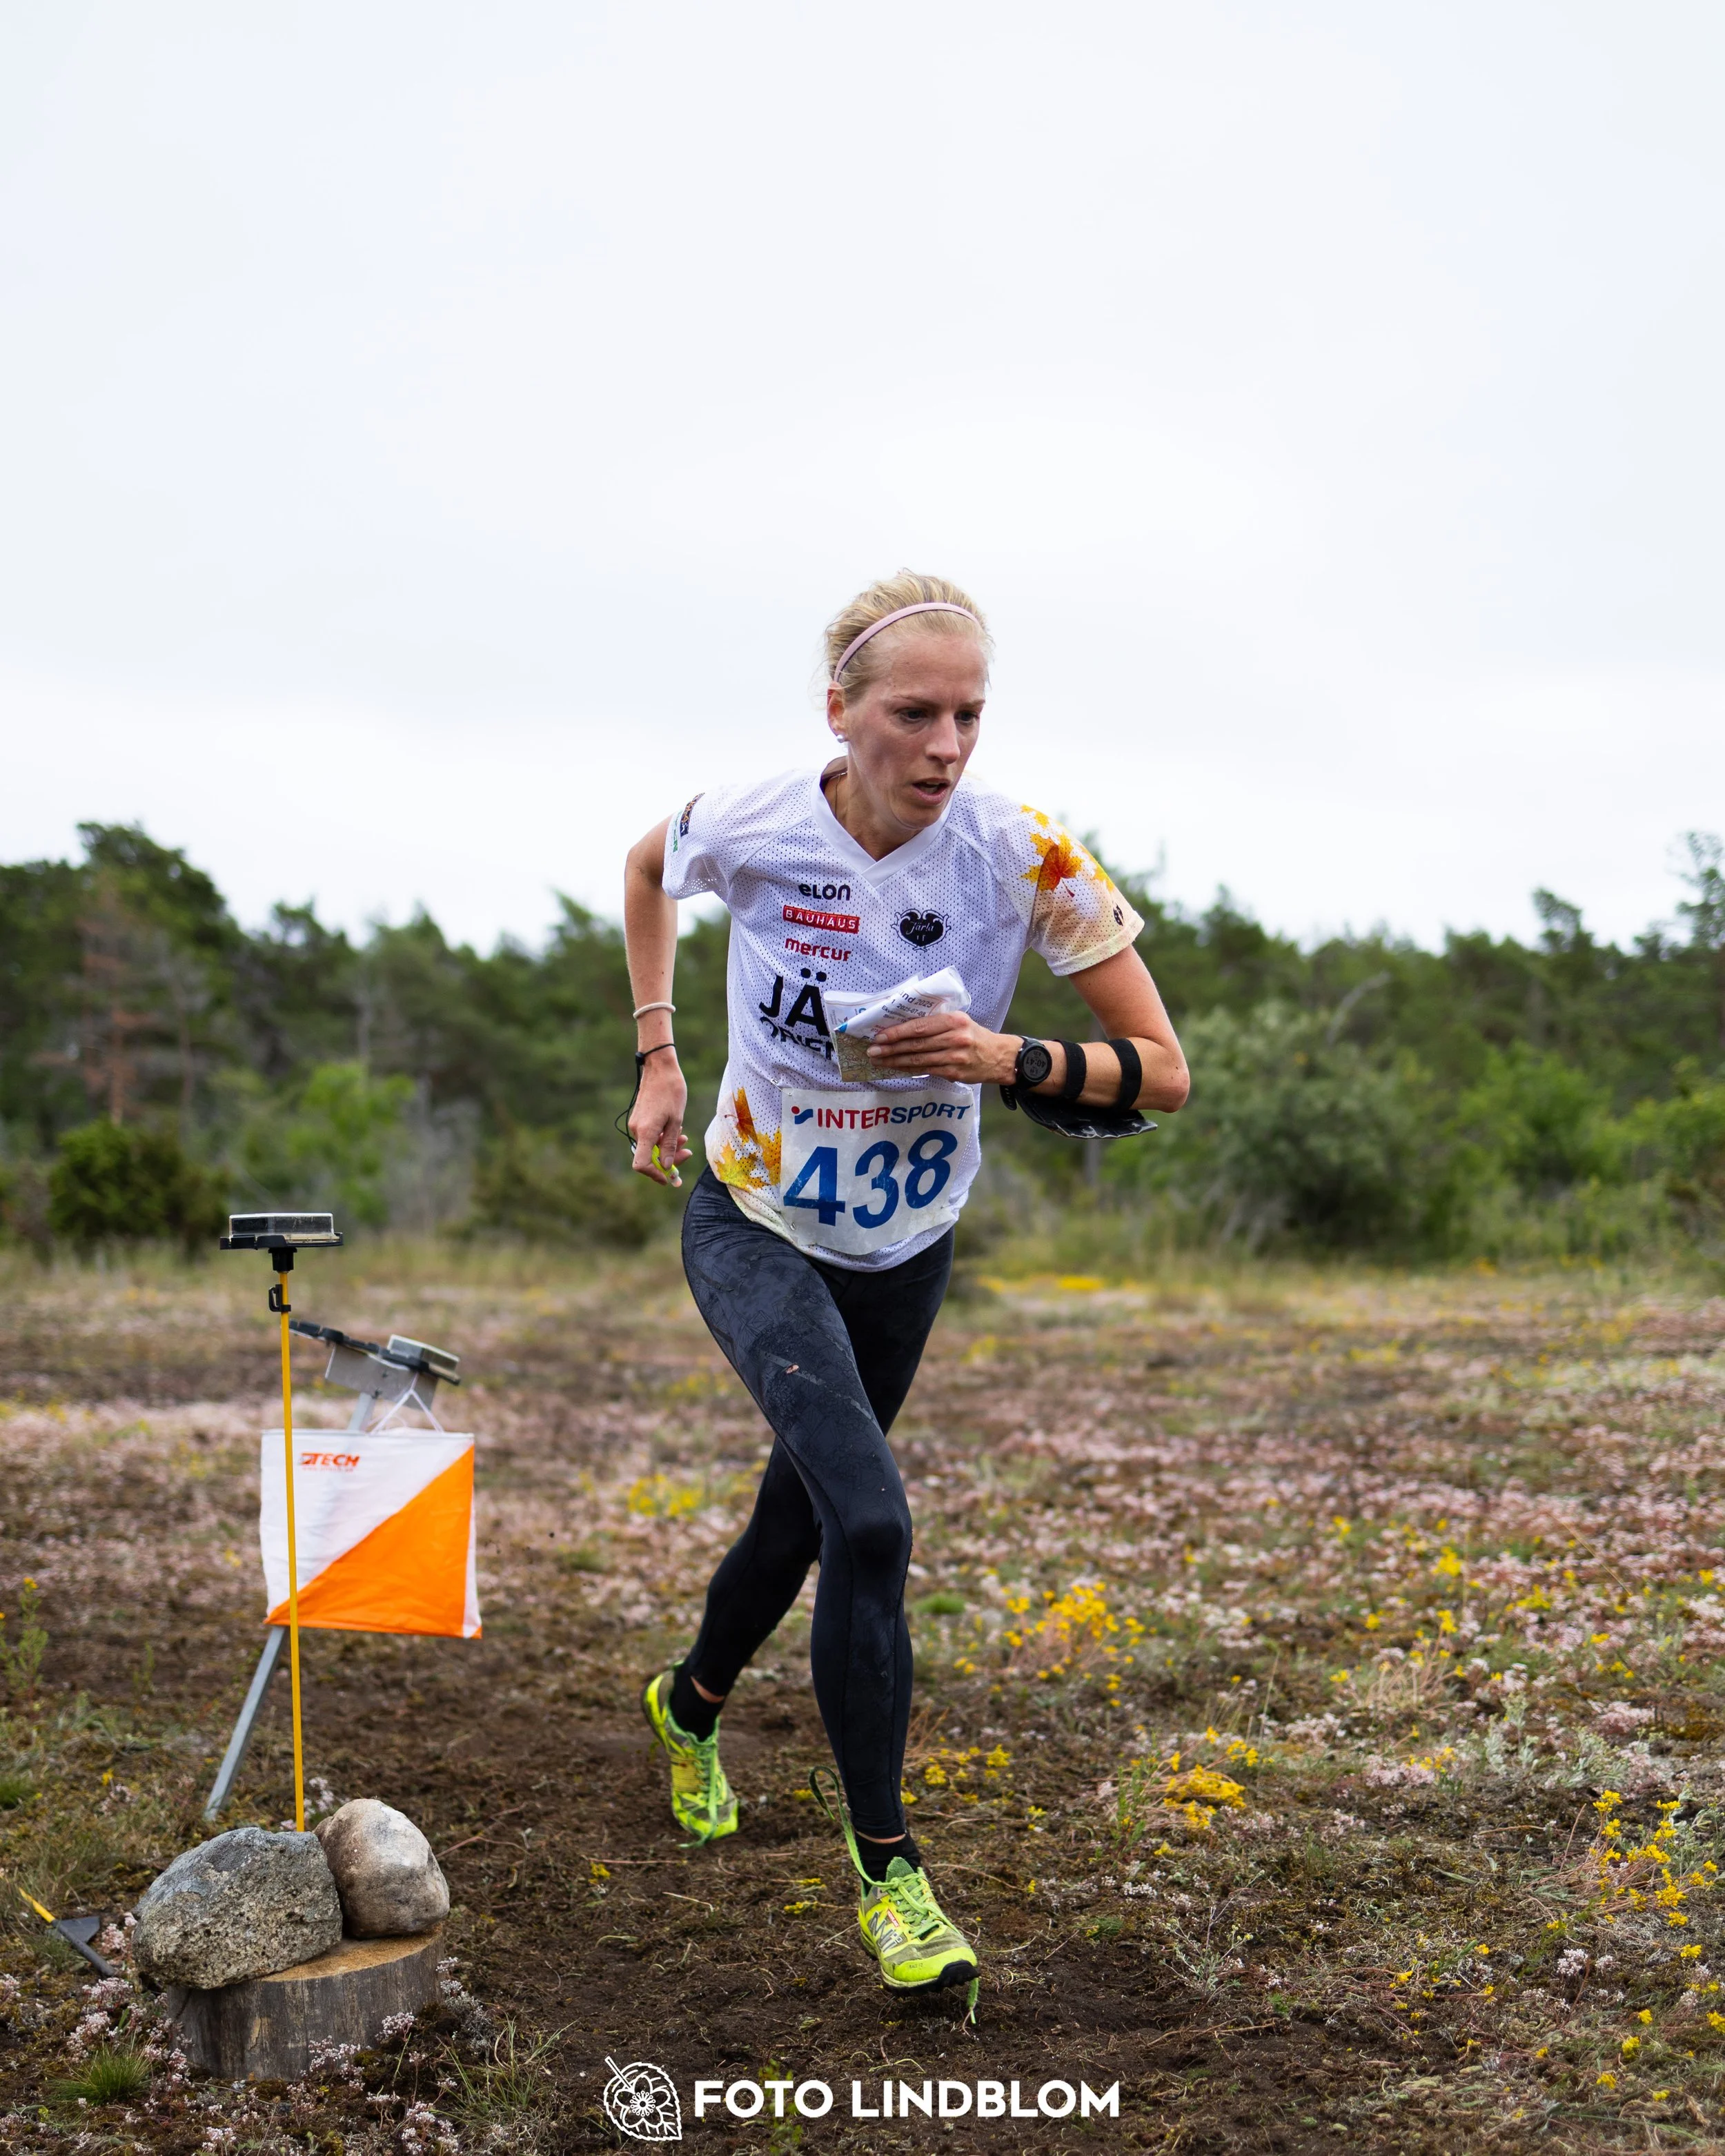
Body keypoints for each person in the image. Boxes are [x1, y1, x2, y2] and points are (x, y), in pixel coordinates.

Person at [622, 570, 1189, 1999]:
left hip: (905, 1240)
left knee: (803, 1509)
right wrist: (659, 1053)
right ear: (841, 712)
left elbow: (1163, 1074)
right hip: (753, 1214)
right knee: (868, 1517)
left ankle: (686, 1705)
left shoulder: (1023, 855)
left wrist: (1004, 1058)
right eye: (912, 713)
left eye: (969, 716)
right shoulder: (753, 824)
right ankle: (891, 1875)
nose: (944, 746)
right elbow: (644, 870)